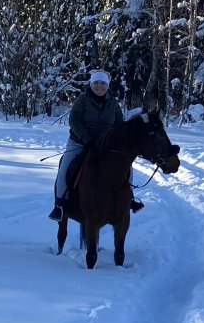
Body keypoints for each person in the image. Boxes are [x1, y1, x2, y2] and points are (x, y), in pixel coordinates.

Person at [48, 70, 144, 220]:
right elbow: (74, 121)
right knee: (65, 168)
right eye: (96, 83)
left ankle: (130, 199)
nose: (100, 86)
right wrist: (86, 138)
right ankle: (59, 205)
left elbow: (119, 124)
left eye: (103, 83)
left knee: (127, 167)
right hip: (80, 142)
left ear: (107, 86)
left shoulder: (113, 103)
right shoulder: (83, 100)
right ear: (91, 84)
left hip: (106, 145)